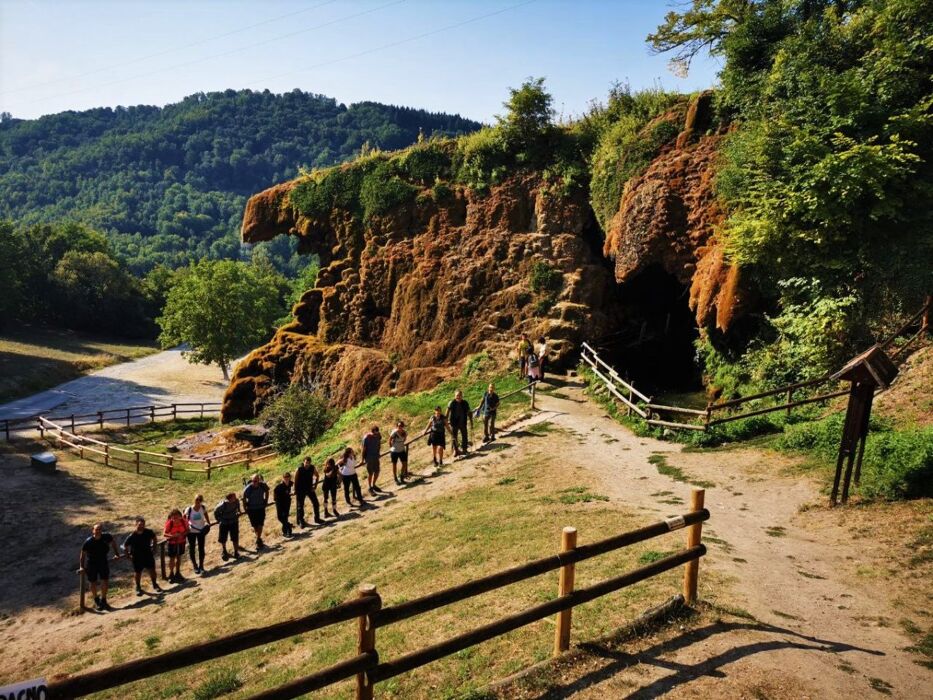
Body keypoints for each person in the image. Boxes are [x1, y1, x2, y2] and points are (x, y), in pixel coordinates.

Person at [79, 523, 120, 611]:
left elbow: (113, 543)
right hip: (92, 564)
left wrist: (116, 554)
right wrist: (81, 566)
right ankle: (97, 600)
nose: (98, 531)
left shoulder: (106, 537)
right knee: (92, 582)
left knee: (105, 580)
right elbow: (83, 554)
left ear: (102, 530)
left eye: (99, 529)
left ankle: (104, 600)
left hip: (103, 562)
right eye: (96, 529)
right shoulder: (88, 541)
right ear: (93, 531)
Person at [122, 517, 161, 596]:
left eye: (142, 524)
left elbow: (154, 538)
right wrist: (127, 555)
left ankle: (155, 584)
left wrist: (154, 548)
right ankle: (138, 587)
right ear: (136, 524)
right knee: (138, 573)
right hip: (137, 557)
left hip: (148, 555)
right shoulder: (132, 535)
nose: (141, 526)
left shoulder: (148, 532)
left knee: (152, 570)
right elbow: (124, 545)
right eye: (139, 524)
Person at [184, 494, 211, 575]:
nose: (198, 501)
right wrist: (187, 525)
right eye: (197, 499)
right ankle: (195, 566)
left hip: (201, 531)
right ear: (194, 500)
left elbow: (206, 514)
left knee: (201, 548)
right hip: (191, 532)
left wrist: (208, 522)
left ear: (201, 501)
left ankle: (201, 566)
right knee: (192, 548)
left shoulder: (203, 508)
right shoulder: (189, 509)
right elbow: (184, 518)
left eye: (200, 500)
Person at [294, 457, 324, 527]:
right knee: (300, 506)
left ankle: (317, 518)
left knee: (316, 503)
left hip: (309, 488)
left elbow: (317, 476)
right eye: (306, 462)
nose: (307, 464)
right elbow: (295, 480)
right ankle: (301, 521)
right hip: (300, 489)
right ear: (303, 462)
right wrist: (295, 490)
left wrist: (315, 486)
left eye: (309, 463)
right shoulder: (299, 469)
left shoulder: (312, 468)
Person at [243, 473, 270, 549]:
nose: (255, 482)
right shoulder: (248, 488)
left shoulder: (262, 485)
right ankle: (259, 539)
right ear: (251, 481)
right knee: (255, 525)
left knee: (260, 524)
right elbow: (244, 498)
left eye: (257, 480)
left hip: (260, 507)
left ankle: (258, 539)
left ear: (259, 480)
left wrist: (266, 500)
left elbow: (267, 491)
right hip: (252, 509)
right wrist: (245, 508)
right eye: (254, 481)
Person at [163, 509, 189, 584]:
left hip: (181, 542)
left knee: (179, 557)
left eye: (177, 517)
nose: (175, 519)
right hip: (172, 543)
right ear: (171, 517)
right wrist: (173, 536)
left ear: (180, 516)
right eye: (173, 517)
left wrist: (182, 534)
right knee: (172, 559)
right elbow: (164, 534)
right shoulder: (169, 523)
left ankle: (178, 573)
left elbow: (188, 530)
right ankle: (171, 574)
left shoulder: (184, 521)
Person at [214, 492, 241, 560]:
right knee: (223, 538)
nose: (235, 498)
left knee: (235, 537)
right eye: (234, 497)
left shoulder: (236, 501)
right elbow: (216, 511)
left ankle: (236, 552)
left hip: (233, 521)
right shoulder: (223, 504)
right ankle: (224, 551)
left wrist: (238, 512)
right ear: (230, 498)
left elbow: (238, 508)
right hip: (224, 523)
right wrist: (219, 520)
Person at [446, 390, 473, 457]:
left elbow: (469, 412)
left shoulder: (465, 403)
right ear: (455, 396)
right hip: (454, 423)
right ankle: (456, 450)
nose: (458, 397)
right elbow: (447, 413)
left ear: (462, 396)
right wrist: (445, 421)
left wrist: (471, 422)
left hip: (462, 422)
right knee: (454, 437)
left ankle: (465, 449)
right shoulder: (451, 403)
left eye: (459, 395)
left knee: (465, 436)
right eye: (457, 395)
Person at [361, 425, 383, 496]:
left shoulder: (378, 435)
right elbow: (363, 449)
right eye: (374, 434)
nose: (375, 435)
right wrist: (362, 460)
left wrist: (378, 452)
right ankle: (370, 487)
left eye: (377, 433)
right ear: (372, 432)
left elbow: (379, 444)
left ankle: (374, 485)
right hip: (369, 457)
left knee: (377, 471)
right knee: (370, 473)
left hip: (376, 456)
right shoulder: (366, 438)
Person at [273, 472, 294, 537]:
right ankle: (288, 526)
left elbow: (294, 487)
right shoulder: (280, 485)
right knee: (280, 517)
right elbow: (274, 491)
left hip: (287, 501)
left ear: (290, 477)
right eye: (285, 477)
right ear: (283, 478)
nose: (286, 478)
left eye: (288, 476)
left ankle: (287, 531)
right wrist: (275, 499)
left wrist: (293, 491)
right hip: (279, 502)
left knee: (285, 516)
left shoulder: (291, 483)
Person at [388, 420, 409, 484]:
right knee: (394, 465)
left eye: (401, 426)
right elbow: (389, 440)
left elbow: (404, 439)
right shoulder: (394, 432)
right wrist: (391, 447)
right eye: (399, 426)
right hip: (394, 451)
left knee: (404, 464)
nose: (400, 427)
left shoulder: (405, 432)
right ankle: (395, 478)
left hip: (402, 450)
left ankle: (401, 477)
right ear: (397, 426)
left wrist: (400, 443)